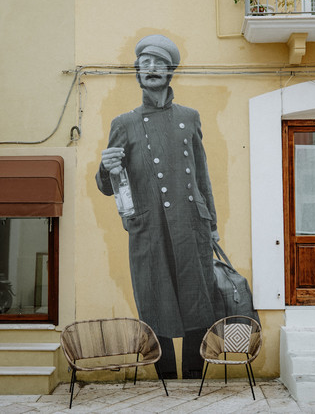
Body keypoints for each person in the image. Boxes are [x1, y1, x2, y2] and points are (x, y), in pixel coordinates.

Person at [96, 34, 220, 379]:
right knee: (155, 297)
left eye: (158, 62)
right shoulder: (125, 123)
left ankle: (195, 379)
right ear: (138, 72)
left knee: (198, 296)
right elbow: (109, 185)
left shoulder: (190, 117)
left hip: (191, 223)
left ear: (169, 72)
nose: (151, 68)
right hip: (149, 227)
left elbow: (202, 174)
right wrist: (105, 167)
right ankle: (165, 381)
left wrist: (212, 225)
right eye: (144, 63)